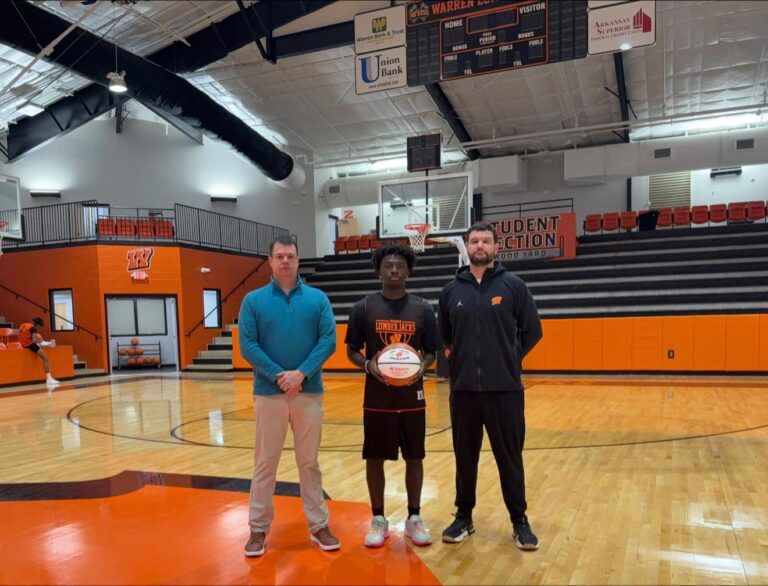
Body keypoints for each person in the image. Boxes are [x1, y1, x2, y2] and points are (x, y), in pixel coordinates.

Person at [438, 222, 543, 550]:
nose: (479, 245)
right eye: (474, 241)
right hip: (464, 392)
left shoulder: (514, 286)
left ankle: (519, 520)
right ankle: (463, 517)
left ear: (497, 247)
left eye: (485, 241)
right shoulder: (451, 291)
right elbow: (443, 336)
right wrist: (455, 360)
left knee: (510, 458)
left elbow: (533, 330)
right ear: (467, 247)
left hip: (505, 391)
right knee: (464, 457)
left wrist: (510, 359)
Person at [238, 236, 339, 557]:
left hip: (308, 392)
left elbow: (328, 341)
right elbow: (248, 345)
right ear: (270, 261)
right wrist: (279, 376)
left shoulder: (318, 299)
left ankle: (319, 525)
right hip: (269, 394)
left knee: (309, 462)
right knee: (265, 462)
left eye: (290, 256)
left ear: (298, 260)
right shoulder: (253, 301)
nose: (285, 261)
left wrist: (301, 374)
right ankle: (258, 528)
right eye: (279, 256)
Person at [345, 244, 437, 548]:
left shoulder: (423, 309)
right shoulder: (363, 308)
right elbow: (352, 351)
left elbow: (432, 353)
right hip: (377, 398)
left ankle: (414, 517)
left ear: (408, 271)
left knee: (415, 457)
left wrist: (420, 367)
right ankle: (378, 518)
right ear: (379, 271)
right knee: (374, 458)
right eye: (388, 266)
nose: (394, 270)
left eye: (400, 266)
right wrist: (367, 365)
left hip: (412, 399)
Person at [19, 317, 59, 385]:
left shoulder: (23, 325)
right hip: (30, 345)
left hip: (23, 344)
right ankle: (49, 378)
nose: (39, 328)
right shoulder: (33, 328)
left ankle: (45, 343)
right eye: (39, 326)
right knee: (45, 358)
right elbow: (34, 340)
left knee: (39, 338)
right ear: (37, 325)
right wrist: (41, 341)